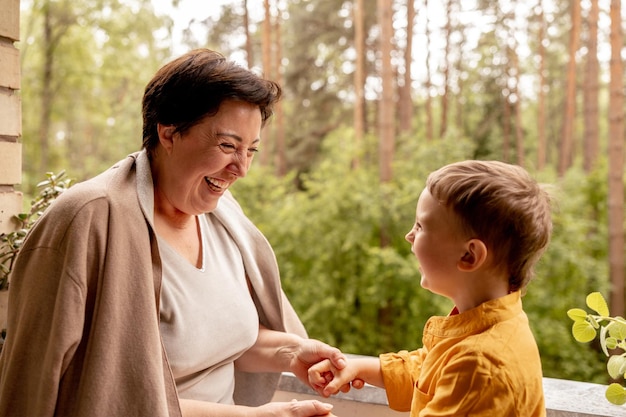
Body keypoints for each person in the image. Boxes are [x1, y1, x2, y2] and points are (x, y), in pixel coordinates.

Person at [0, 48, 350, 417]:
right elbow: (97, 396)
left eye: (251, 150)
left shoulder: (224, 219)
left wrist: (291, 352)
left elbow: (218, 342)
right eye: (228, 146)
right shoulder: (87, 221)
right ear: (168, 133)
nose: (241, 169)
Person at [309, 160, 552, 416]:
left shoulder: (481, 366)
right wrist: (360, 368)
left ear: (469, 255)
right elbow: (428, 369)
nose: (409, 236)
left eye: (421, 226)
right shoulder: (482, 328)